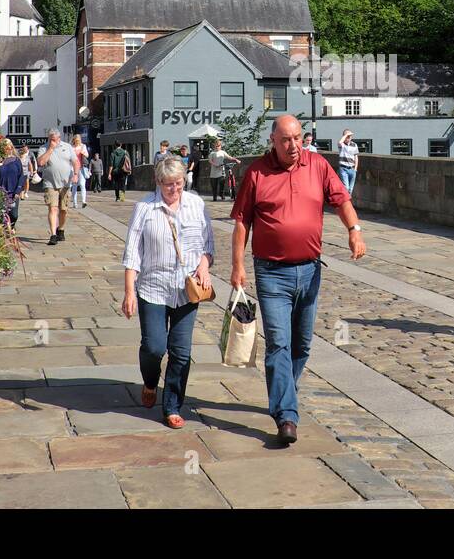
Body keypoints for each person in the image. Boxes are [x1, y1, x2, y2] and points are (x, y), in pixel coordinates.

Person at [230, 115, 365, 444]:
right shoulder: (257, 172)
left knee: (301, 344)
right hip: (271, 272)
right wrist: (237, 266)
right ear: (273, 140)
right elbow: (242, 222)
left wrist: (354, 231)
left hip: (310, 270)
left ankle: (283, 391)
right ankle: (286, 415)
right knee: (278, 343)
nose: (294, 146)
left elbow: (341, 200)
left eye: (298, 139)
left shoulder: (317, 165)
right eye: (286, 140)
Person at [121, 156, 215, 428]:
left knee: (181, 352)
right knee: (154, 347)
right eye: (168, 184)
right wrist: (129, 292)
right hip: (152, 288)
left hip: (186, 290)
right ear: (158, 182)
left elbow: (208, 245)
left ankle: (172, 405)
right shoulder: (145, 208)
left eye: (179, 183)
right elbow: (132, 254)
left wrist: (205, 267)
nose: (175, 189)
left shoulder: (196, 204)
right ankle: (151, 381)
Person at [38, 128, 79, 246]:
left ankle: (60, 229)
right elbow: (41, 162)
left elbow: (76, 162)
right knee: (53, 208)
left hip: (66, 183)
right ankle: (53, 235)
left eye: (54, 140)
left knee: (64, 210)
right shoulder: (43, 148)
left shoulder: (67, 147)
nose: (52, 141)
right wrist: (50, 149)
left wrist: (76, 175)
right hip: (50, 183)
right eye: (50, 139)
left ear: (59, 138)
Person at [0, 138, 25, 227]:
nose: (8, 150)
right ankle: (5, 230)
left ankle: (11, 226)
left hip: (13, 192)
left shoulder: (16, 160)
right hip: (0, 191)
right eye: (6, 148)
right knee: (1, 213)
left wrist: (18, 190)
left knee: (14, 215)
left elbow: (21, 176)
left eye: (10, 148)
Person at [337, 129, 359, 195]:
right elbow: (339, 142)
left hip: (352, 168)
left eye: (350, 136)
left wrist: (355, 168)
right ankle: (345, 204)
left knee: (350, 189)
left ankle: (347, 203)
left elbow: (356, 157)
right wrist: (346, 134)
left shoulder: (354, 145)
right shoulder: (342, 145)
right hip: (343, 168)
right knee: (346, 187)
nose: (349, 137)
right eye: (347, 136)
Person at [71, 134, 90, 209]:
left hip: (81, 168)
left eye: (79, 140)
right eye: (76, 140)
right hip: (73, 168)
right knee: (74, 186)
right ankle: (75, 203)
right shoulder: (71, 147)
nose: (77, 142)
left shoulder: (83, 146)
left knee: (82, 184)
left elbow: (87, 155)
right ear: (74, 140)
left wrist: (83, 153)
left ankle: (83, 201)